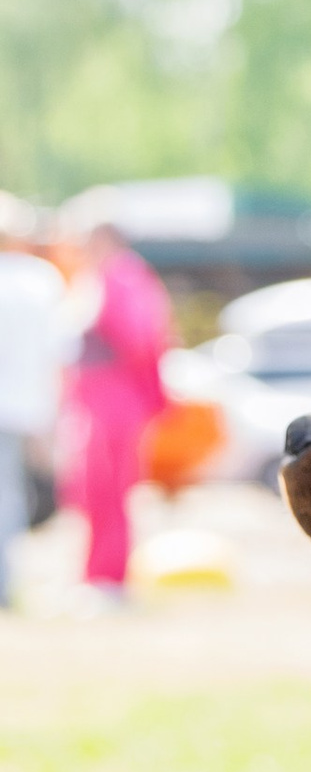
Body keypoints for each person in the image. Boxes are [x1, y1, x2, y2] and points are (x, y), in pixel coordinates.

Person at [58, 213, 174, 607]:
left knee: (108, 488)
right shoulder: (108, 277)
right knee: (92, 489)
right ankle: (95, 575)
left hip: (114, 398)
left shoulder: (121, 277)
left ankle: (108, 578)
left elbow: (139, 341)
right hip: (99, 398)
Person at [0, 226, 69, 605]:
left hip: (18, 404)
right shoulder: (39, 280)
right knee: (15, 498)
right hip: (28, 406)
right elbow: (56, 351)